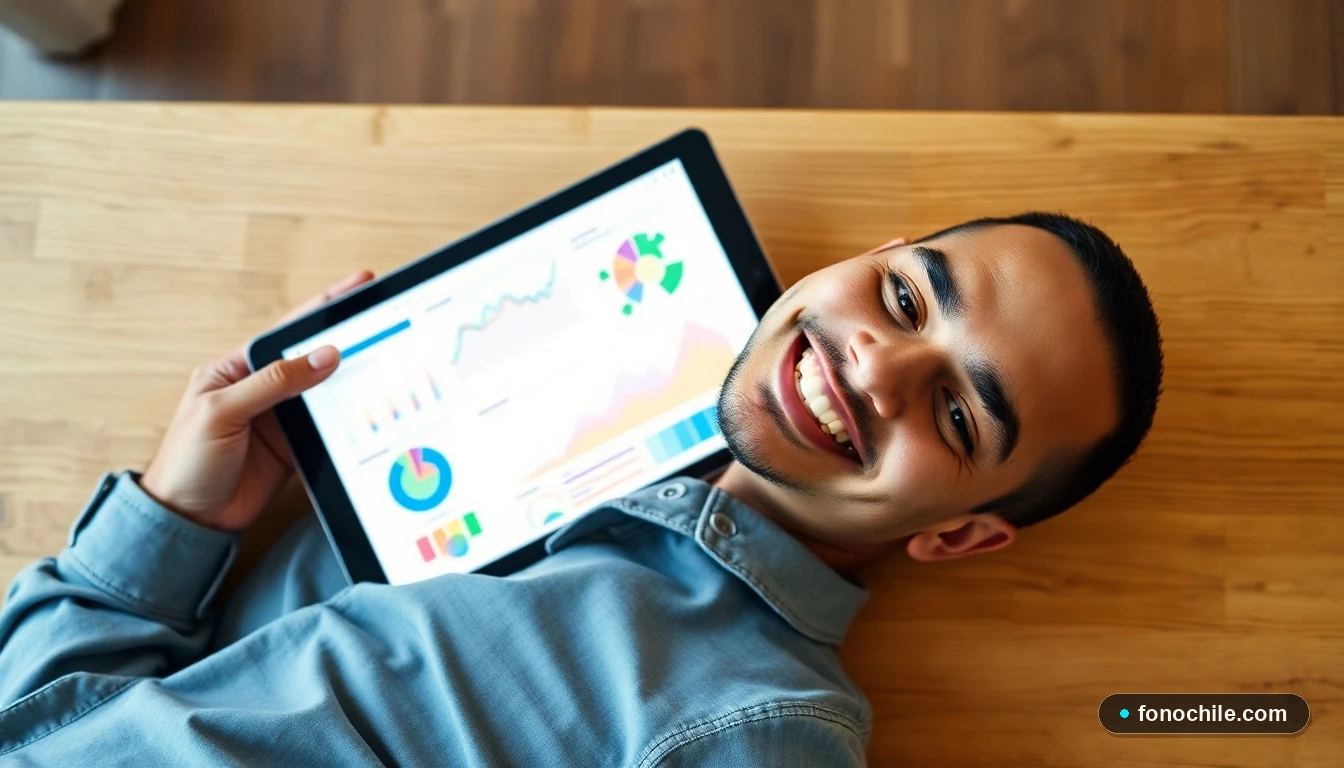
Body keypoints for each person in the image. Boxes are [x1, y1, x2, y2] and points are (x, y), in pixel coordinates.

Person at [0, 212, 1162, 765]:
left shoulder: (761, 732)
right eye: (908, 298)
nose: (878, 366)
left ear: (957, 535)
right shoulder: (567, 397)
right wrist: (178, 520)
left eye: (961, 417)